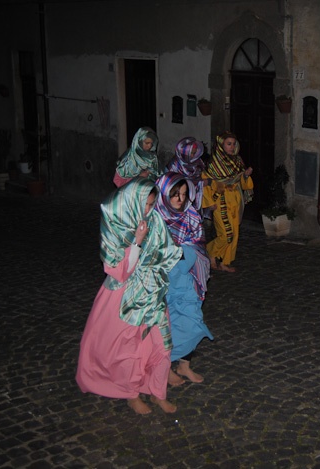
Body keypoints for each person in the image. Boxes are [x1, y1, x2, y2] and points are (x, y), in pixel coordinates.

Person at [76, 177, 182, 415]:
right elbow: (118, 271)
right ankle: (131, 394)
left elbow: (166, 252)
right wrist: (137, 242)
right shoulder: (117, 225)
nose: (148, 210)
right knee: (130, 349)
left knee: (163, 344)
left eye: (152, 204)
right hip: (124, 297)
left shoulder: (154, 220)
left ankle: (158, 392)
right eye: (145, 204)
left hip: (152, 291)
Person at [154, 172, 213, 386]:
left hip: (189, 278)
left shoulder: (191, 214)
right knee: (167, 324)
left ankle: (184, 365)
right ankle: (165, 366)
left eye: (184, 193)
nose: (181, 199)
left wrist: (183, 251)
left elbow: (197, 243)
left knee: (192, 319)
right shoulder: (155, 218)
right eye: (175, 194)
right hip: (164, 281)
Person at [202, 131, 253, 273]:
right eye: (228, 144)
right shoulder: (212, 163)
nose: (232, 147)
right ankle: (209, 251)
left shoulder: (237, 161)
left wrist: (245, 176)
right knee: (225, 234)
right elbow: (205, 184)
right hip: (220, 200)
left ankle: (225, 262)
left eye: (233, 144)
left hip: (235, 199)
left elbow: (242, 182)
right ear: (221, 145)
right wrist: (209, 202)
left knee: (234, 234)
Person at [166, 137, 207, 213]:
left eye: (194, 153)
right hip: (179, 197)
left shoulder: (197, 163)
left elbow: (199, 177)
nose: (193, 156)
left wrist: (200, 182)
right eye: (191, 153)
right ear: (184, 152)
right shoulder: (175, 164)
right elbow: (171, 183)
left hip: (194, 197)